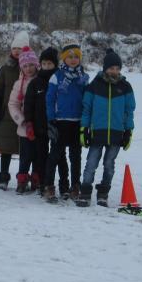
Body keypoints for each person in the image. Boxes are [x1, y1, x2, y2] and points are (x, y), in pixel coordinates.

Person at [78, 49, 135, 207]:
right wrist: (84, 129)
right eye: (111, 68)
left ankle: (103, 194)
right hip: (97, 133)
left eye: (117, 68)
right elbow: (87, 109)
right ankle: (85, 193)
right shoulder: (94, 86)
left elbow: (129, 111)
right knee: (91, 164)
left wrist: (128, 131)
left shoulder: (125, 87)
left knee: (109, 165)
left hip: (116, 134)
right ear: (105, 68)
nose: (114, 71)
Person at [45, 44, 88, 202]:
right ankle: (49, 186)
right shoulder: (56, 76)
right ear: (64, 58)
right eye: (70, 57)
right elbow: (50, 99)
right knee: (55, 156)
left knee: (75, 157)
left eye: (76, 57)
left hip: (77, 122)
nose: (73, 59)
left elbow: (87, 100)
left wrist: (86, 121)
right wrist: (51, 120)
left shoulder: (83, 78)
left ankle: (75, 186)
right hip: (60, 122)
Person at [0, 30, 29, 190]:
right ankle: (3, 177)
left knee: (25, 150)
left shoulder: (31, 68)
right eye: (14, 48)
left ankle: (23, 178)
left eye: (20, 48)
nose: (16, 51)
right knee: (6, 148)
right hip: (7, 115)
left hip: (25, 115)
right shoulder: (5, 69)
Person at [24, 47, 59, 196]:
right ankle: (42, 182)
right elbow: (28, 104)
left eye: (49, 64)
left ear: (55, 64)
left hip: (56, 125)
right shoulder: (35, 83)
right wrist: (29, 123)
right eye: (44, 64)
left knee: (57, 156)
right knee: (41, 155)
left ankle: (54, 182)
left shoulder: (59, 80)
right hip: (39, 126)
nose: (46, 66)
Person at [7, 46, 39, 195]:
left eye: (31, 65)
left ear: (36, 65)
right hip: (25, 127)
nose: (29, 69)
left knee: (39, 155)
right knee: (25, 156)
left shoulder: (42, 81)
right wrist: (21, 120)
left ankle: (37, 179)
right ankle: (22, 180)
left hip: (40, 126)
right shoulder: (19, 84)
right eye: (25, 66)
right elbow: (13, 104)